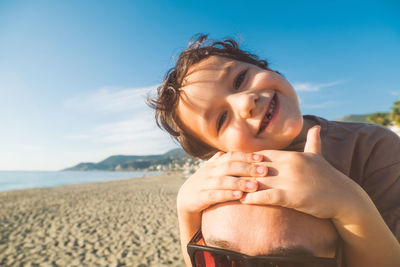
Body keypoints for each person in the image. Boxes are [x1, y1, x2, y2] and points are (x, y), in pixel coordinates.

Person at [148, 35, 400, 266]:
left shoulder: (372, 145)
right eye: (222, 119)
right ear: (218, 152)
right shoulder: (226, 180)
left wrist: (348, 203)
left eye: (239, 79)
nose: (245, 101)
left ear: (267, 68)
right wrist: (187, 211)